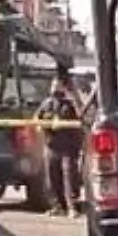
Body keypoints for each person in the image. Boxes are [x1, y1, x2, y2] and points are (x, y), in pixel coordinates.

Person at [36, 74, 85, 216]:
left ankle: (72, 207)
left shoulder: (71, 104)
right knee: (52, 177)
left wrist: (74, 96)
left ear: (63, 87)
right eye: (53, 85)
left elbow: (82, 115)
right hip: (51, 146)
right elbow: (37, 119)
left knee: (69, 177)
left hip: (68, 147)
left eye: (57, 85)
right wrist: (43, 126)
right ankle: (56, 206)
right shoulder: (46, 103)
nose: (54, 88)